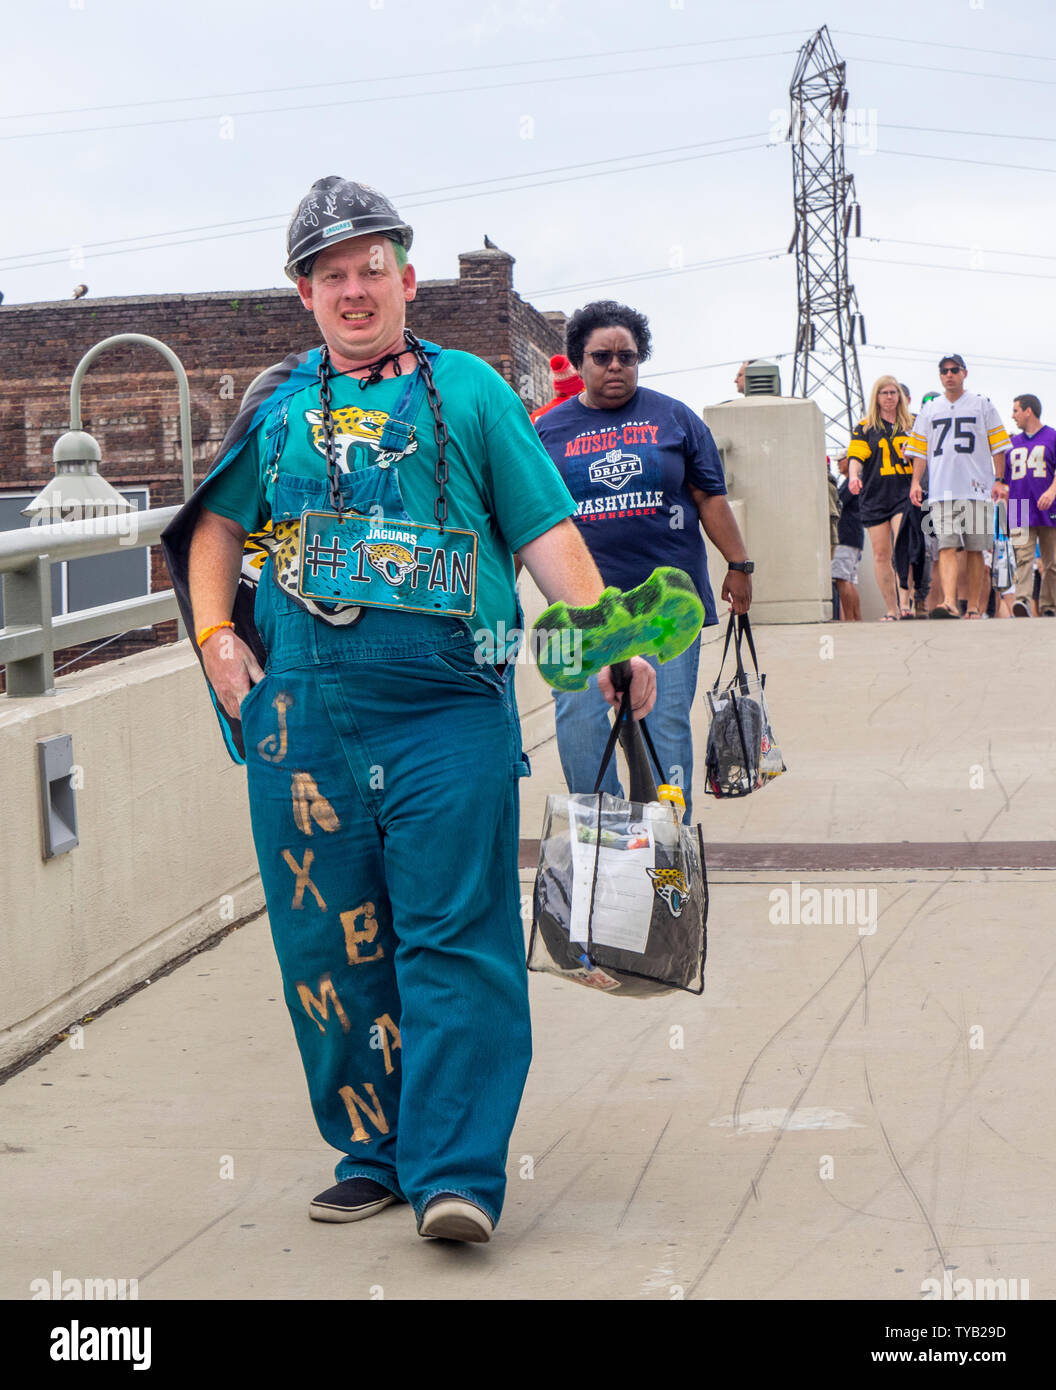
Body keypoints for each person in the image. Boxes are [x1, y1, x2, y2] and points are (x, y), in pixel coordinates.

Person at [162, 177, 656, 1245]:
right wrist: (214, 639)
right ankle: (371, 1152)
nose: (354, 288)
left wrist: (613, 640)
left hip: (448, 706)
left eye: (370, 267)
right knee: (328, 947)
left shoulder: (472, 392)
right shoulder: (279, 408)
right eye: (331, 274)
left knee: (454, 936)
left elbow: (545, 535)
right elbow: (212, 529)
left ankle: (456, 1171)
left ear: (406, 276)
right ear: (305, 293)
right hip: (303, 719)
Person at [534, 299, 752, 820]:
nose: (615, 367)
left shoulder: (674, 418)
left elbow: (709, 498)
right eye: (602, 356)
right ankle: (600, 848)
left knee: (665, 726)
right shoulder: (546, 431)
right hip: (581, 611)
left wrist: (739, 565)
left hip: (667, 611)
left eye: (627, 357)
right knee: (582, 728)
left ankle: (666, 850)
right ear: (579, 361)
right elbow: (530, 519)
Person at [906, 354, 1012, 619]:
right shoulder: (930, 410)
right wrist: (916, 482)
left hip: (976, 487)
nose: (949, 375)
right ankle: (950, 602)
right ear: (940, 376)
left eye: (954, 370)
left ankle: (974, 606)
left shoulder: (981, 405)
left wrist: (999, 480)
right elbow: (919, 450)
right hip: (943, 489)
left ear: (964, 373)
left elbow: (999, 446)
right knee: (946, 547)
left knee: (976, 549)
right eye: (944, 371)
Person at [846, 375, 915, 620]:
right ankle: (892, 608)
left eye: (893, 392)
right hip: (875, 495)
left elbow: (925, 455)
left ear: (900, 396)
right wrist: (854, 476)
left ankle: (906, 601)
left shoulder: (913, 423)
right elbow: (856, 457)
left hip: (903, 493)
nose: (889, 397)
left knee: (902, 547)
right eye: (884, 393)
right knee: (881, 554)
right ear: (876, 397)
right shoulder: (865, 427)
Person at [1005, 393, 1056, 617]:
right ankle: (1022, 601)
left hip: (1049, 508)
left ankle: (1049, 605)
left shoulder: (1052, 437)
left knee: (1052, 562)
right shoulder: (1011, 443)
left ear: (1028, 411)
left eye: (1016, 410)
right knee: (1022, 559)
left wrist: (1052, 491)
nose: (1012, 415)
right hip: (1019, 507)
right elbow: (1004, 480)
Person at [832, 456, 863, 620]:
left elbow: (839, 505)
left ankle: (850, 619)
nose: (838, 463)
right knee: (849, 578)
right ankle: (855, 618)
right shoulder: (851, 482)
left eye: (841, 460)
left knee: (842, 578)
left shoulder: (851, 483)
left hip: (846, 535)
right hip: (854, 536)